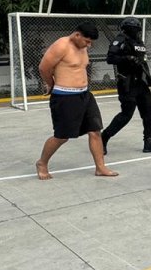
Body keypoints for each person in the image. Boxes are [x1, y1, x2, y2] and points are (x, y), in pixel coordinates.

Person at [35, 22, 118, 180]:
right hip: (65, 97)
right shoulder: (61, 45)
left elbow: (80, 67)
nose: (89, 44)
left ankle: (100, 168)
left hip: (85, 95)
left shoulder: (82, 47)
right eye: (87, 41)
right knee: (62, 136)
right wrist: (51, 85)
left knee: (95, 131)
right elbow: (43, 68)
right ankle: (42, 163)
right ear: (77, 35)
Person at [101, 18, 151, 154]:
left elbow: (143, 62)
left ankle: (149, 142)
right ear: (125, 28)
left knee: (149, 112)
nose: (136, 30)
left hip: (141, 84)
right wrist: (127, 59)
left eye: (137, 28)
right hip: (127, 83)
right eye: (133, 28)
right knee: (126, 114)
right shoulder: (119, 40)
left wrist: (150, 79)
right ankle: (104, 137)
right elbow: (110, 58)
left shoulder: (139, 42)